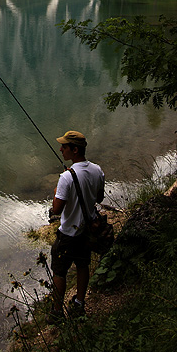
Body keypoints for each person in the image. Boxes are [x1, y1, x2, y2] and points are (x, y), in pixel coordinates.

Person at [48, 130, 105, 322]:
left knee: (59, 271)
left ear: (74, 150)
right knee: (82, 265)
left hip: (68, 233)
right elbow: (99, 198)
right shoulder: (97, 170)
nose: (60, 149)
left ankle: (57, 312)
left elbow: (56, 209)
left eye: (64, 147)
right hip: (86, 231)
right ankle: (79, 304)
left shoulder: (66, 177)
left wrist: (57, 192)